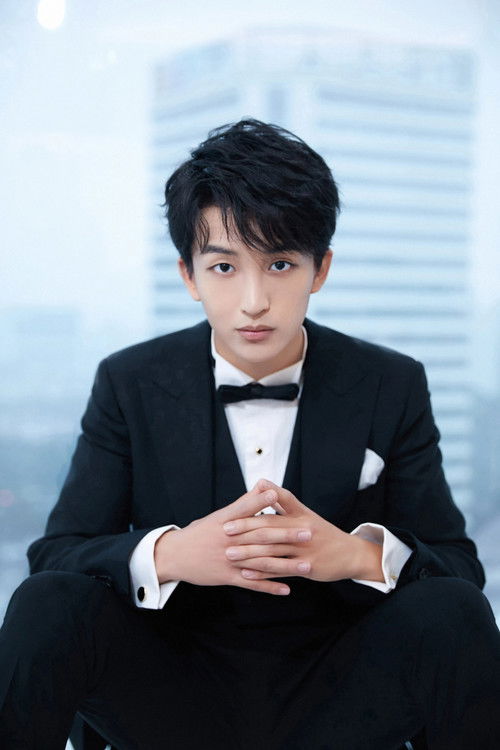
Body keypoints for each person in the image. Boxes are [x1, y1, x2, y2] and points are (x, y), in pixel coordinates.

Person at [1, 119, 499, 750]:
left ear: (320, 270)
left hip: (341, 695)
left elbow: (459, 568)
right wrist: (171, 555)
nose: (254, 300)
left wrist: (354, 555)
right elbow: (56, 557)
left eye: (281, 263)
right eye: (224, 266)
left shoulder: (391, 382)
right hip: (170, 691)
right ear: (189, 276)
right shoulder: (130, 381)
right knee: (47, 603)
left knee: (454, 610)